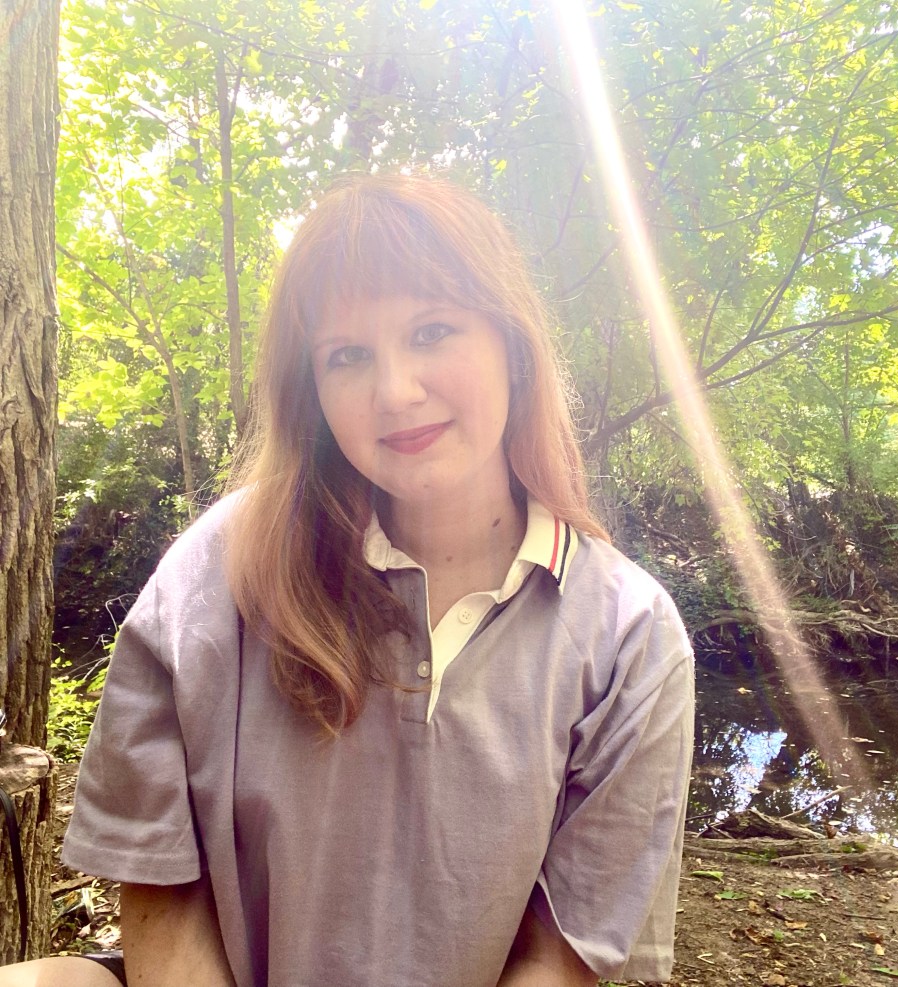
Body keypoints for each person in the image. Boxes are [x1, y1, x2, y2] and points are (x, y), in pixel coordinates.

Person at [0, 175, 694, 986]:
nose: (395, 391)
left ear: (513, 345)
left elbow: (558, 957)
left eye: (432, 330)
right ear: (314, 390)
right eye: (348, 355)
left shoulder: (632, 639)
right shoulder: (216, 570)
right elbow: (162, 895)